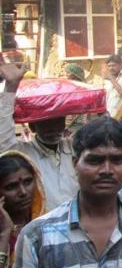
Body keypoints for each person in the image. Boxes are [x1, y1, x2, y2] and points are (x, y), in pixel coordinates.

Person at [11, 117, 122, 268]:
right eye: (94, 161)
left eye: (117, 160)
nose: (107, 170)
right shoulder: (37, 235)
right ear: (75, 163)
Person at [0, 63, 79, 211]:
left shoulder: (75, 148)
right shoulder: (24, 154)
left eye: (58, 122)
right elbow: (3, 141)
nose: (54, 128)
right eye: (46, 123)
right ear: (32, 127)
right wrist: (10, 88)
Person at [0, 151, 45, 268]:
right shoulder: (2, 231)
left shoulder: (48, 222)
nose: (23, 192)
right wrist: (5, 234)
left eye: (28, 182)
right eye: (11, 187)